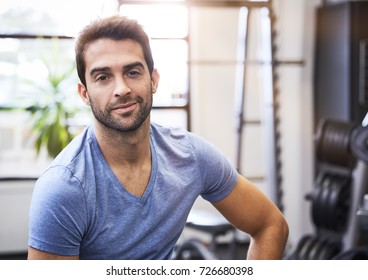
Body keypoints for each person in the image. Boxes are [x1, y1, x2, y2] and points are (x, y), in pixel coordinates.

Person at [27, 15, 288, 260]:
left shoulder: (191, 156)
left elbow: (270, 224)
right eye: (103, 77)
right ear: (85, 94)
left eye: (133, 72)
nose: (122, 89)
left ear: (153, 80)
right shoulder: (64, 188)